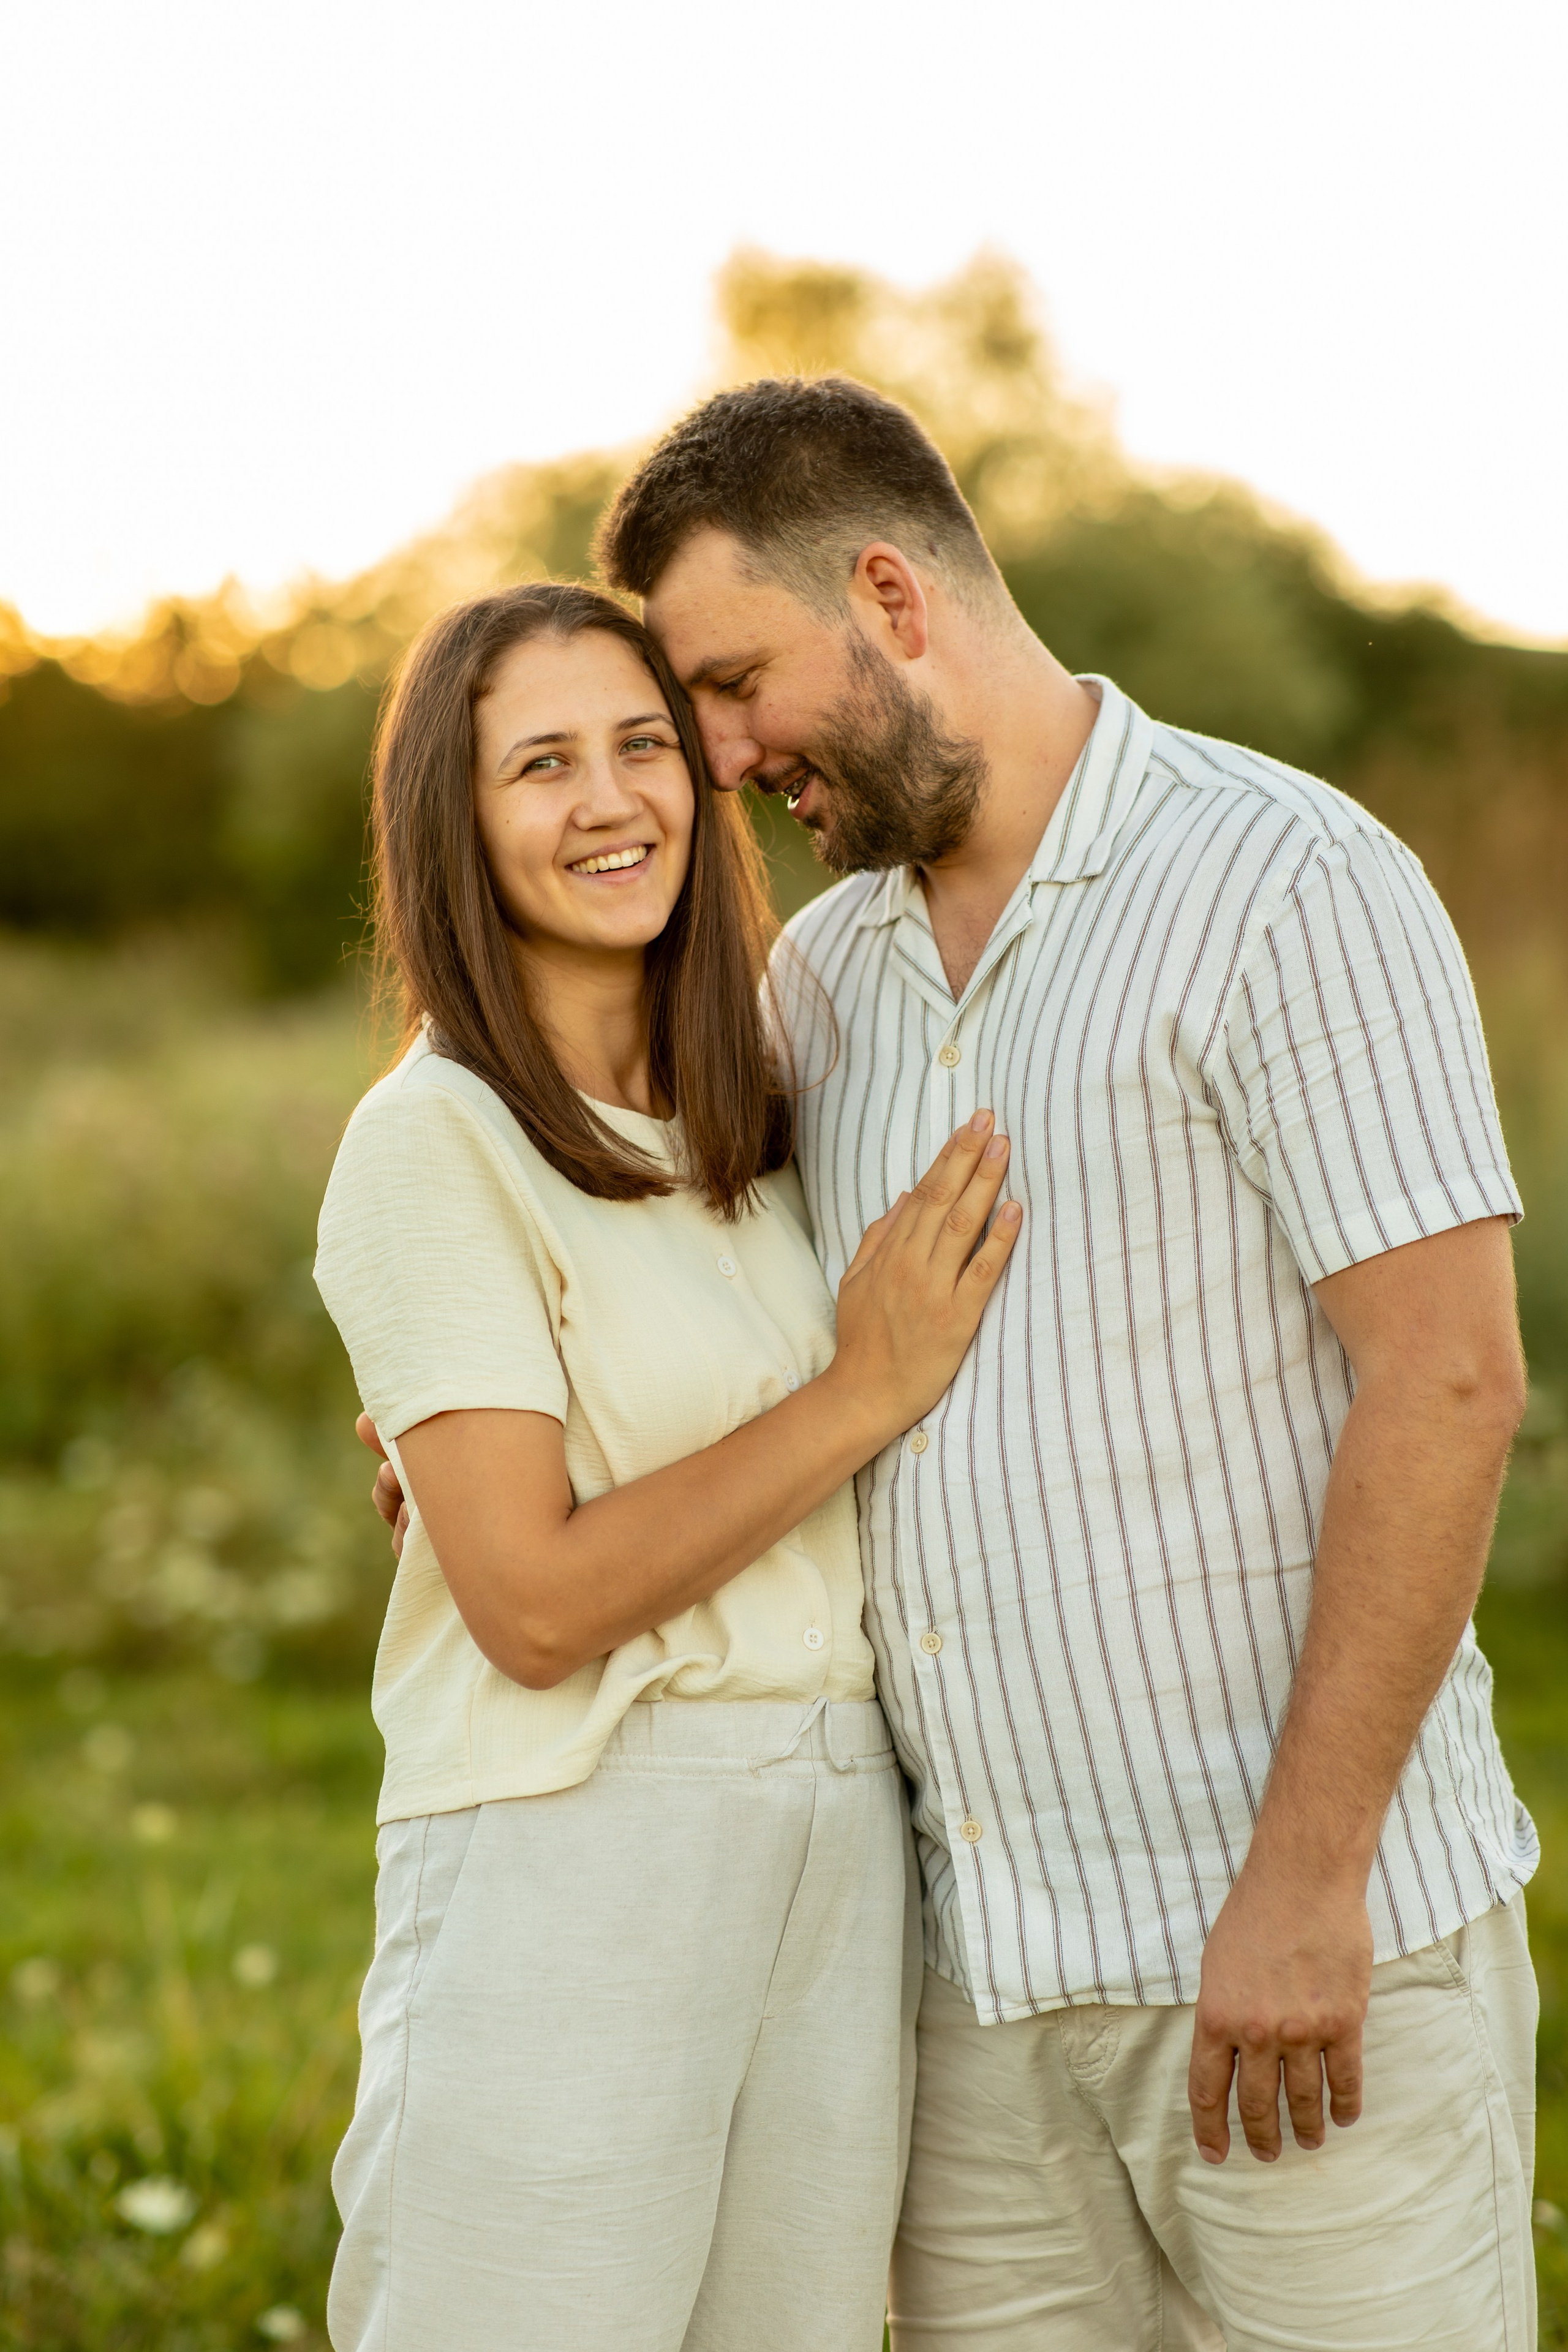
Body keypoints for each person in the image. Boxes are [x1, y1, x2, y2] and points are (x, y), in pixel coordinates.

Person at [366, 386, 1539, 2346]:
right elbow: (610, 1223)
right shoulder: (819, 984)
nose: (720, 765)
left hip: (1296, 1948)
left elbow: (1450, 1386)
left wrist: (1310, 1882)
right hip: (968, 1994)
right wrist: (437, 1391)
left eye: (729, 689)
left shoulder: (1283, 883)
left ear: (892, 598)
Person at [314, 579, 1022, 2352]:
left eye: (642, 744)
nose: (610, 799)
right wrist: (861, 1389)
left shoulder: (772, 1106)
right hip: (577, 1846)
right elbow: (536, 1606)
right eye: (539, 765)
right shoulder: (436, 1140)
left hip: (836, 1841)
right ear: (453, 825)